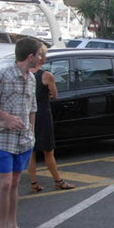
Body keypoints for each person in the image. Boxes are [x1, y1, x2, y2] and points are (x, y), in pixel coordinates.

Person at [0, 37, 43, 228]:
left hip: (23, 141)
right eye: (39, 54)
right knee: (4, 184)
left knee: (14, 183)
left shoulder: (31, 79)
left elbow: (32, 107)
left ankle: (13, 225)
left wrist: (31, 132)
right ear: (30, 56)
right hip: (2, 137)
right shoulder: (3, 74)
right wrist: (6, 118)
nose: (42, 58)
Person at [28, 45, 75, 193]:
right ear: (42, 57)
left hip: (28, 115)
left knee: (32, 151)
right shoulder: (46, 75)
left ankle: (34, 183)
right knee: (48, 151)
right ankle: (58, 181)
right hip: (42, 114)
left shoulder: (25, 74)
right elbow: (55, 95)